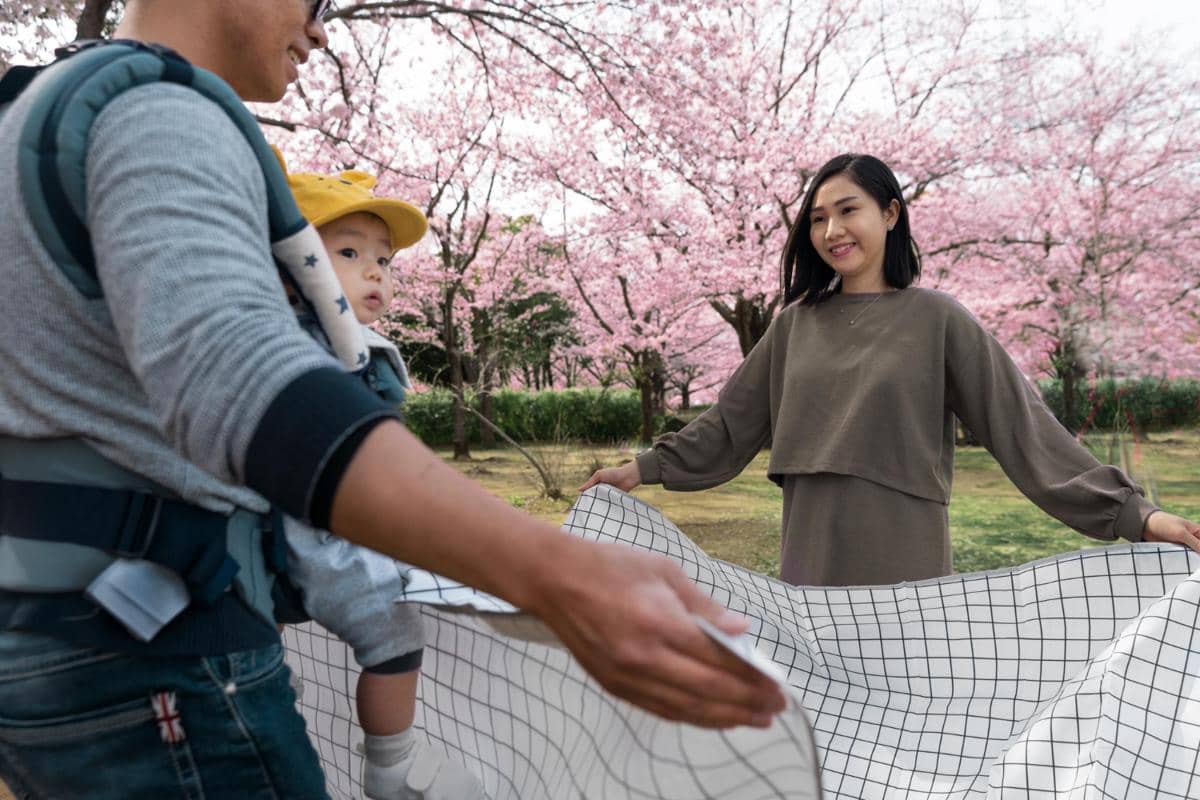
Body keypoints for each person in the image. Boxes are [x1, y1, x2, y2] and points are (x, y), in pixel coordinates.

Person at [0, 1, 783, 797]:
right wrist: (555, 571)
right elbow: (237, 377)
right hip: (160, 659)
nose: (319, 30)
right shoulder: (158, 113)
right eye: (313, 3)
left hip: (48, 643)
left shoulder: (40, 109)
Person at [581, 153, 1200, 587]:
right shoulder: (795, 324)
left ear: (891, 214)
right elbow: (730, 424)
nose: (831, 230)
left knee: (909, 739)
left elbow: (1024, 429)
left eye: (848, 210)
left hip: (904, 555)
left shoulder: (938, 319)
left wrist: (1136, 515)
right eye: (818, 218)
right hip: (810, 553)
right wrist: (638, 470)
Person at [278, 159, 483, 800]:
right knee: (395, 627)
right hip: (316, 533)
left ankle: (278, 699)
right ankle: (393, 760)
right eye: (347, 251)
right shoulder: (306, 348)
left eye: (384, 260)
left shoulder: (347, 345)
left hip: (285, 535)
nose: (375, 271)